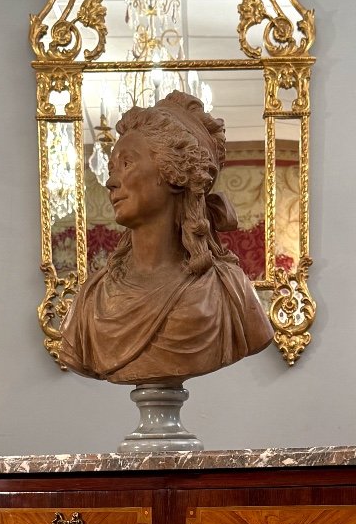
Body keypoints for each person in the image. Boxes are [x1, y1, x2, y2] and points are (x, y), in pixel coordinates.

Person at [58, 90, 273, 385]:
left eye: (126, 163)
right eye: (110, 168)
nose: (110, 181)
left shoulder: (229, 291)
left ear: (174, 173)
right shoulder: (91, 299)